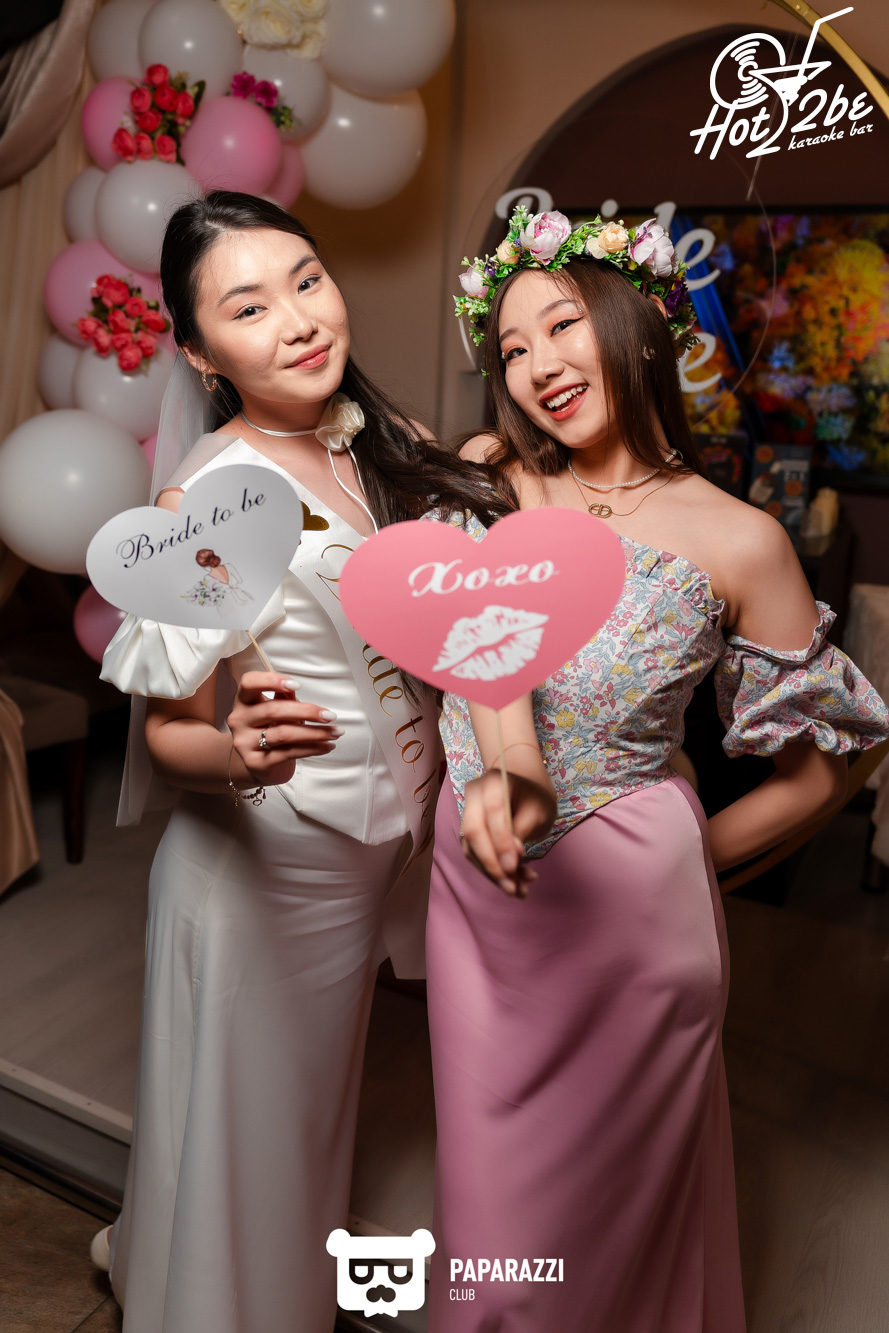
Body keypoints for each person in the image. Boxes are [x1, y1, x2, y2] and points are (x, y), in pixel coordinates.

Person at [424, 205, 889, 1332]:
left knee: (604, 1223)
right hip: (476, 910)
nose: (537, 366)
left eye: (562, 326)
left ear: (634, 322)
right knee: (491, 1229)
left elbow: (831, 766)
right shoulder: (489, 478)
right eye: (512, 348)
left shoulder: (740, 539)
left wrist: (685, 863)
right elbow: (457, 650)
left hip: (630, 922)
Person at [94, 191, 502, 1333]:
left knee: (309, 1124)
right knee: (243, 1136)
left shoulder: (376, 436)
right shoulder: (205, 502)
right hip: (255, 879)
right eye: (248, 306)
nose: (299, 319)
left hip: (361, 868)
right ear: (199, 353)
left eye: (306, 280)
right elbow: (167, 733)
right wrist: (234, 748)